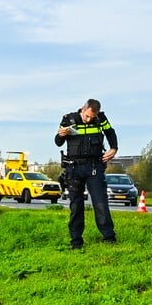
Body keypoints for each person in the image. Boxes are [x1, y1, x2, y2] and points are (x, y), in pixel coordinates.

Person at [55, 100, 119, 248]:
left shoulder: (101, 119)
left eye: (92, 117)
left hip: (94, 166)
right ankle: (76, 241)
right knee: (76, 205)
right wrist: (61, 135)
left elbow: (110, 132)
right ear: (83, 110)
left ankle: (109, 238)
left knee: (100, 202)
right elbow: (58, 142)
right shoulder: (68, 119)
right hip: (74, 168)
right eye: (87, 116)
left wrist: (114, 148)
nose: (89, 119)